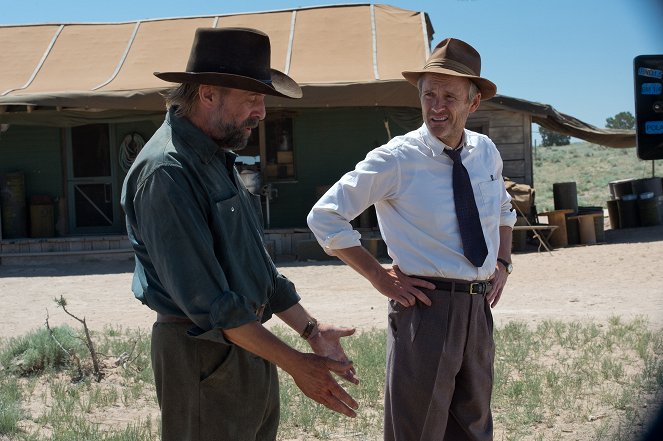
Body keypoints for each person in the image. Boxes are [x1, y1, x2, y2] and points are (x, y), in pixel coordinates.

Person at [121, 27, 358, 441]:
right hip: (201, 355)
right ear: (208, 94)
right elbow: (213, 306)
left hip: (249, 344)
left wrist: (311, 331)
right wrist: (297, 364)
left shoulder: (215, 156)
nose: (262, 112)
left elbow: (257, 267)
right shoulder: (167, 173)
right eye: (252, 99)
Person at [307, 37, 516, 441]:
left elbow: (504, 210)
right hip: (425, 307)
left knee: (474, 426)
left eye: (450, 97)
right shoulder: (396, 158)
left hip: (478, 308)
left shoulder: (485, 151)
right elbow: (326, 216)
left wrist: (503, 263)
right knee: (418, 430)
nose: (437, 106)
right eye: (429, 95)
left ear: (474, 103)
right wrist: (379, 277)